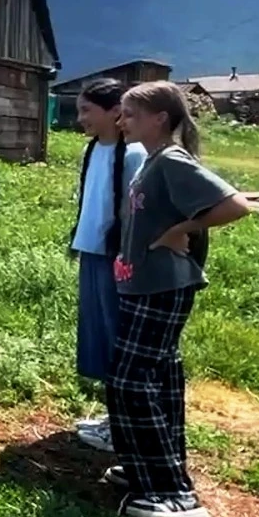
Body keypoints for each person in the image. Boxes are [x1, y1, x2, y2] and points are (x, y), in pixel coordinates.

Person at [104, 81, 250, 517]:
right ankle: (145, 469)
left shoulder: (171, 161)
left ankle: (172, 492)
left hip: (164, 286)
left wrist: (177, 232)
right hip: (143, 284)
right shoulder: (151, 162)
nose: (121, 121)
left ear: (159, 119)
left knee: (130, 381)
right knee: (158, 379)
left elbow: (235, 205)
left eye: (130, 114)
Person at [67, 79, 146, 454]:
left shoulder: (134, 156)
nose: (80, 118)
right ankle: (113, 417)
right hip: (93, 253)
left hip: (119, 261)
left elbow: (137, 215)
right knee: (100, 336)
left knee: (120, 338)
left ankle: (124, 426)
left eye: (87, 110)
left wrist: (127, 257)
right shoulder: (94, 150)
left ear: (115, 112)